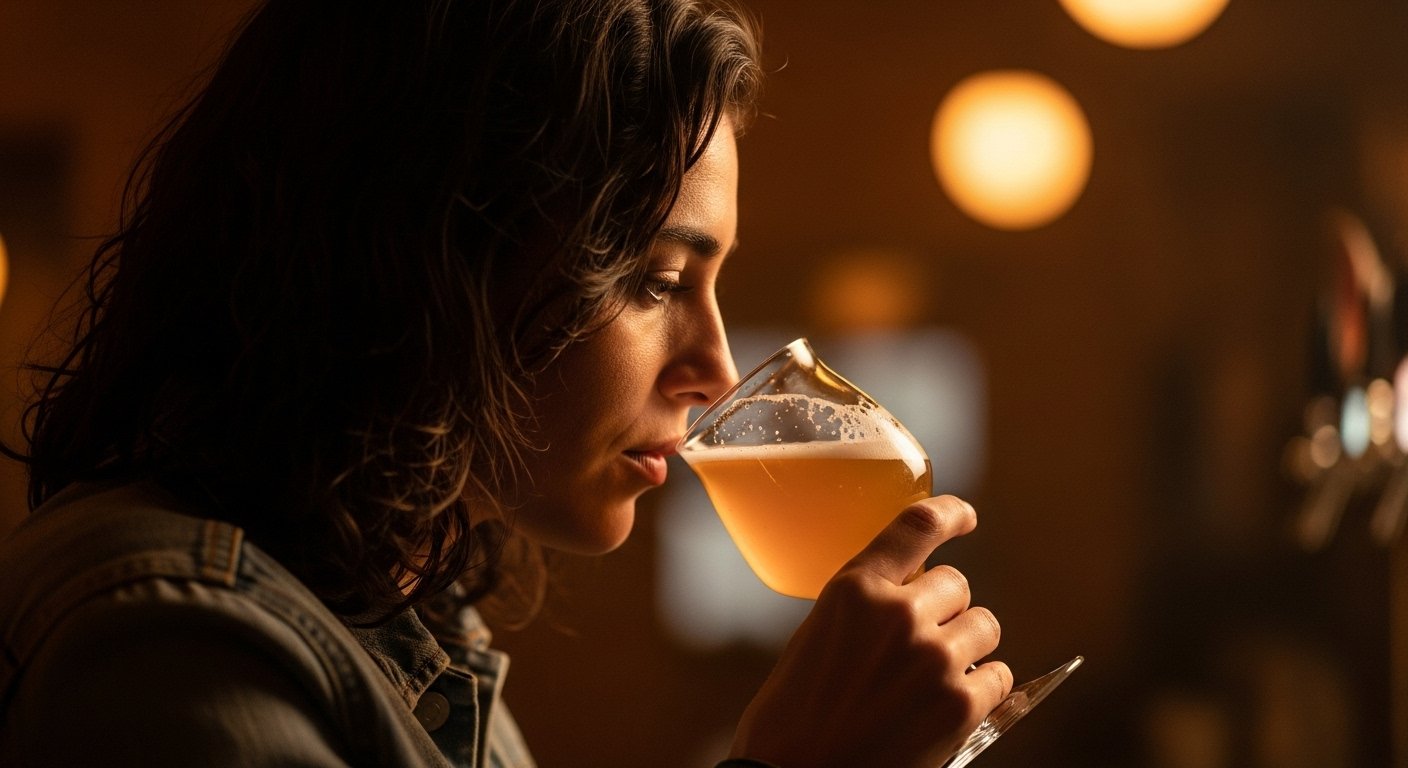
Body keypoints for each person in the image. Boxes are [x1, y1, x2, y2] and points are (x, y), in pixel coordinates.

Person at [0, 0, 1012, 765]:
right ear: (431, 252)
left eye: (711, 281)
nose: (711, 368)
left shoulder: (409, 622)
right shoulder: (173, 636)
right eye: (657, 280)